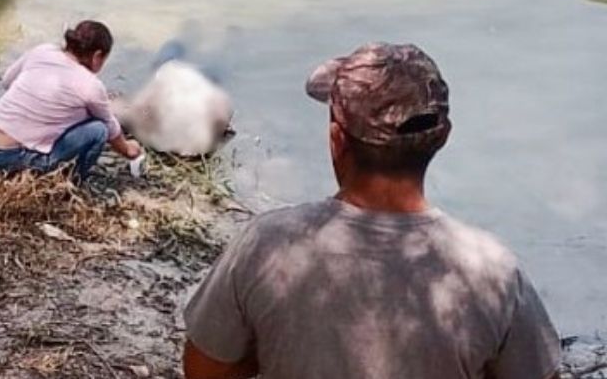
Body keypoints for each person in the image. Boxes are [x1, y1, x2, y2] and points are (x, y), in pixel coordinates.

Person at [182, 42, 561, 379]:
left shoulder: (266, 244)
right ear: (442, 137)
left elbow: (202, 369)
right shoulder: (494, 272)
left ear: (336, 140)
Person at [0, 20, 142, 182]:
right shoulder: (90, 85)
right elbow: (109, 125)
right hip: (11, 155)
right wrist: (128, 149)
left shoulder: (43, 51)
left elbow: (7, 81)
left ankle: (7, 168)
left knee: (74, 113)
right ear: (97, 56)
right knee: (98, 130)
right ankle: (74, 181)